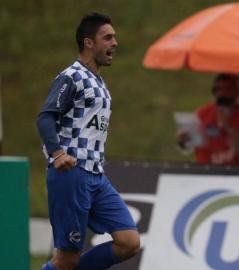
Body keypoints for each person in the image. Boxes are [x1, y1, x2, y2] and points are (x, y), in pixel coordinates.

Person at [36, 13, 140, 270]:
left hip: (96, 176)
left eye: (114, 37)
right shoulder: (71, 77)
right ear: (89, 42)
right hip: (71, 174)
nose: (115, 42)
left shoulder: (99, 82)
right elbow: (45, 118)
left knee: (129, 242)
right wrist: (58, 154)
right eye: (108, 37)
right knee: (67, 259)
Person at [176, 73, 239, 165]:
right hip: (205, 171)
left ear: (238, 93)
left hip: (236, 172)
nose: (222, 94)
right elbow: (187, 147)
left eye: (227, 90)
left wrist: (228, 126)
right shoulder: (202, 114)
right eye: (217, 89)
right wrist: (183, 141)